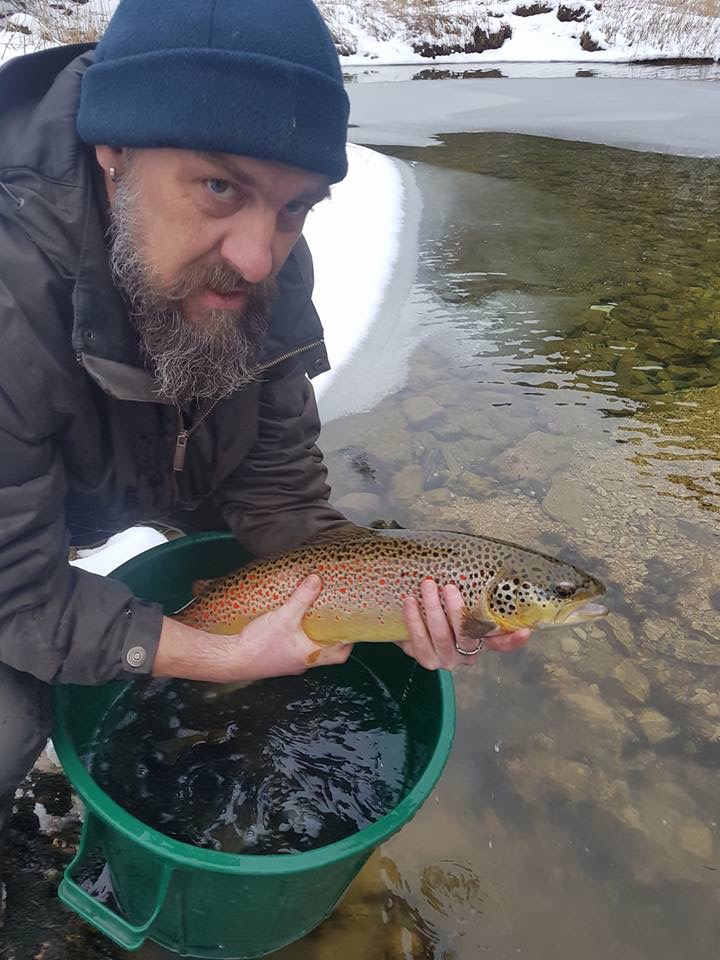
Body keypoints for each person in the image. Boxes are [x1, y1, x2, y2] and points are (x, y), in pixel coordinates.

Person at [0, 0, 529, 925]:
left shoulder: (267, 268)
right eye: (218, 186)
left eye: (295, 207)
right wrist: (213, 654)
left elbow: (278, 486)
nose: (256, 257)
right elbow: (16, 590)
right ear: (112, 150)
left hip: (138, 474)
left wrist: (395, 601)